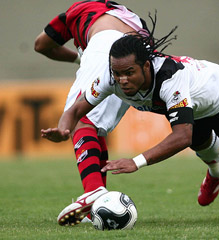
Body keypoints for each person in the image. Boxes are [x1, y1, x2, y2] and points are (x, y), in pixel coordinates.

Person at [42, 25, 219, 215]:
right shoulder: (109, 77)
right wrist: (63, 129)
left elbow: (182, 137)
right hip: (191, 106)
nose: (123, 80)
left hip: (217, 94)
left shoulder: (170, 78)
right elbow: (75, 110)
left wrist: (135, 162)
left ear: (146, 66)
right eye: (118, 74)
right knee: (200, 140)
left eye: (129, 72)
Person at [34, 0, 152, 226]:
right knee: (94, 126)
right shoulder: (124, 12)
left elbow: (41, 45)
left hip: (106, 45)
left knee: (80, 119)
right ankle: (98, 202)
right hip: (143, 56)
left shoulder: (79, 9)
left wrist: (79, 57)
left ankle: (94, 189)